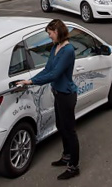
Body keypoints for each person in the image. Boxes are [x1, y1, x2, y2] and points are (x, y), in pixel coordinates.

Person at [17, 19, 80, 180]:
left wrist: (32, 82)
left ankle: (73, 166)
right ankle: (66, 156)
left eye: (50, 33)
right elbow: (47, 69)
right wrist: (29, 81)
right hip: (57, 93)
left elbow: (55, 74)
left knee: (70, 130)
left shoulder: (68, 50)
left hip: (66, 95)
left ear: (57, 31)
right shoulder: (55, 47)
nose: (49, 36)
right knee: (60, 125)